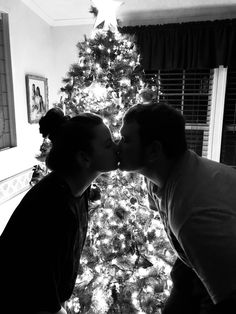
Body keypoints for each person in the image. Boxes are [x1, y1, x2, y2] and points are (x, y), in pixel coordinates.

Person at [118, 102, 236, 314]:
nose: (118, 146)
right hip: (188, 266)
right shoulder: (158, 174)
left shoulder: (192, 215)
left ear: (154, 150)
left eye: (126, 140)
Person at [0, 109, 118, 314]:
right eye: (108, 145)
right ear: (84, 158)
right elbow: (40, 291)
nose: (116, 148)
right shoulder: (54, 206)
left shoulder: (78, 189)